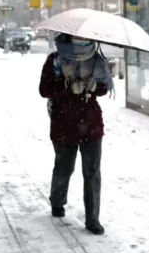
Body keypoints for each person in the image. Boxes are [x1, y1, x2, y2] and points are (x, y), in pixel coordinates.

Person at [39, 33, 114, 235]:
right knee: (64, 167)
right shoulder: (55, 60)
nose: (81, 38)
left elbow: (104, 88)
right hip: (64, 123)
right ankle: (57, 200)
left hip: (91, 124)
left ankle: (92, 219)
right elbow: (44, 89)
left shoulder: (96, 58)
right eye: (77, 35)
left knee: (92, 173)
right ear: (69, 36)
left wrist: (95, 86)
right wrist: (67, 88)